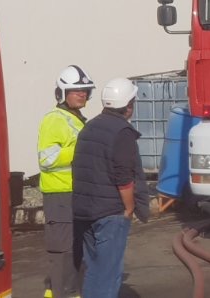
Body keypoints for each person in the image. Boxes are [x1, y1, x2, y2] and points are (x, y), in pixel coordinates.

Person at [72, 78, 149, 298]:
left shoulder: (90, 127)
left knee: (93, 270)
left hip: (84, 211)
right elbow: (123, 176)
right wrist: (129, 208)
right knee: (108, 274)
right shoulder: (122, 132)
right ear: (128, 105)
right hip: (109, 213)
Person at [39, 65, 96, 298]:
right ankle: (59, 293)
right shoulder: (54, 120)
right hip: (60, 195)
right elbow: (47, 158)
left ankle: (71, 293)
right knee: (62, 251)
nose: (82, 94)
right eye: (76, 90)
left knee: (76, 248)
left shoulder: (78, 120)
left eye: (85, 90)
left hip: (76, 194)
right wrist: (80, 151)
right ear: (62, 93)